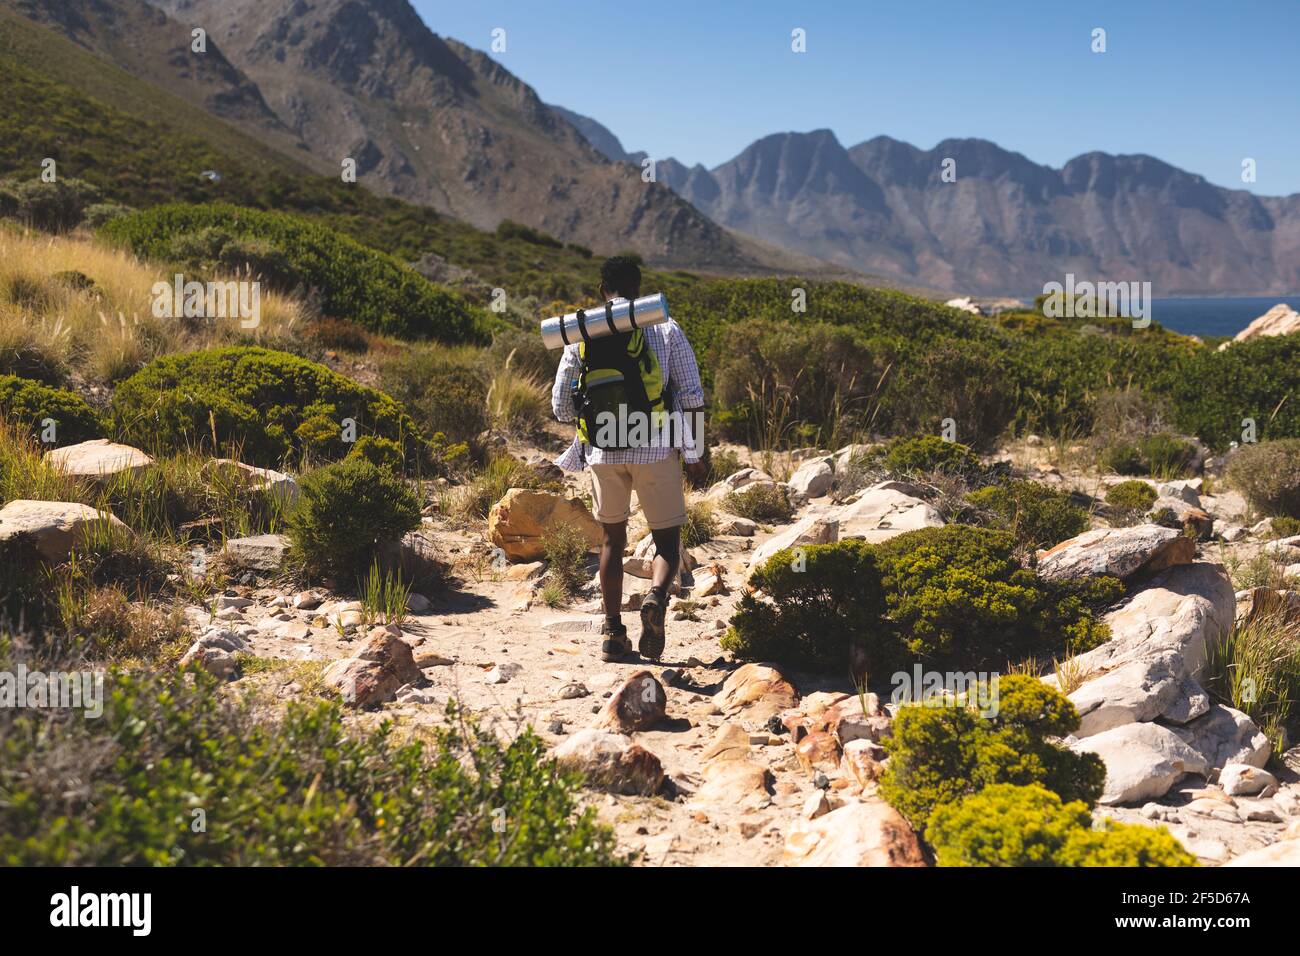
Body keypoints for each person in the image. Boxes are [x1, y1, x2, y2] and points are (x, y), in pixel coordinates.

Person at [551, 255, 707, 662]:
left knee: (611, 541)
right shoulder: (665, 326)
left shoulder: (581, 333)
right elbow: (691, 393)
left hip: (603, 450)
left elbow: (561, 407)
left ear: (603, 289)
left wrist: (596, 418)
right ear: (639, 289)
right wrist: (695, 451)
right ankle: (656, 596)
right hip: (655, 445)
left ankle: (612, 634)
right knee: (667, 543)